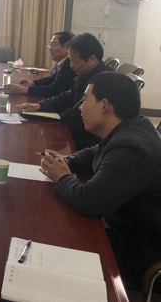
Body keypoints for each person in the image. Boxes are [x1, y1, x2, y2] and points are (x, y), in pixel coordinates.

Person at [39, 72, 161, 290]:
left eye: (85, 100)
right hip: (123, 227)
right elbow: (97, 151)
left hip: (139, 247)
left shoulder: (132, 150)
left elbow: (89, 202)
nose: (80, 107)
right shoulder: (132, 127)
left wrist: (62, 177)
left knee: (52, 237)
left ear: (104, 106)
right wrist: (68, 161)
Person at [17, 32, 114, 150]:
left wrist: (53, 117)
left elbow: (75, 117)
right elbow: (67, 97)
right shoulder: (86, 76)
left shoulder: (102, 82)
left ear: (92, 59)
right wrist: (39, 106)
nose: (71, 66)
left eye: (75, 62)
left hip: (87, 144)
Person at [3, 32, 76, 97]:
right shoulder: (63, 62)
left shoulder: (70, 65)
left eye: (53, 44)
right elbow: (52, 79)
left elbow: (55, 89)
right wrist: (32, 83)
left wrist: (24, 90)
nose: (50, 48)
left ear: (66, 48)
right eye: (50, 45)